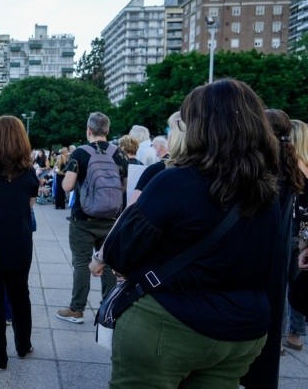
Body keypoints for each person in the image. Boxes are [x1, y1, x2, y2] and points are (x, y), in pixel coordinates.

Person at [99, 79, 282, 388]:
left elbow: (118, 252)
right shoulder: (267, 192)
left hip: (168, 324)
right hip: (242, 331)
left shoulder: (175, 182)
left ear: (201, 127)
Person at [241, 109, 302, 388]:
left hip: (258, 250)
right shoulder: (290, 162)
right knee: (273, 315)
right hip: (280, 250)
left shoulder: (260, 162)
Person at [56, 112, 127, 324]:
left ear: (89, 130)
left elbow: (67, 185)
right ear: (107, 130)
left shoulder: (79, 153)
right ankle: (109, 307)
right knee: (107, 262)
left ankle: (77, 310)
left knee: (81, 262)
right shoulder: (119, 154)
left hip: (83, 218)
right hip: (112, 218)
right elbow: (123, 187)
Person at [0, 116, 39, 370]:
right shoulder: (29, 174)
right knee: (20, 294)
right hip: (20, 242)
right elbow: (30, 206)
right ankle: (24, 345)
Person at [128, 112, 186, 206]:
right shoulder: (208, 173)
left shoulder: (158, 170)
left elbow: (130, 211)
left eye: (170, 129)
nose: (168, 135)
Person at [285, 119, 308, 352]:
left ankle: (278, 335)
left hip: (286, 230)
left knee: (279, 285)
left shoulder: (285, 167)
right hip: (303, 231)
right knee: (298, 282)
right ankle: (296, 334)